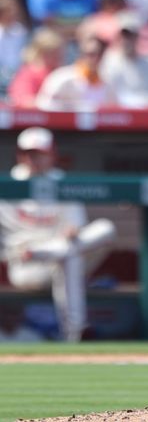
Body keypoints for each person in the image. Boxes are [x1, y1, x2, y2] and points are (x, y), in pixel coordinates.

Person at [0, 127, 115, 341]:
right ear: (20, 155)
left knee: (105, 229)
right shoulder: (7, 186)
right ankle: (75, 332)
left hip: (56, 252)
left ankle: (74, 331)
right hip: (27, 266)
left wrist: (72, 231)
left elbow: (76, 227)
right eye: (29, 153)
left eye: (40, 153)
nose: (34, 159)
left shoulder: (62, 182)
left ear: (52, 154)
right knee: (70, 256)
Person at [99, 14, 148, 108]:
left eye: (131, 35)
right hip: (122, 115)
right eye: (124, 35)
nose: (127, 40)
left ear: (137, 36)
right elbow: (108, 96)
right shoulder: (110, 61)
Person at [36, 35, 115, 111]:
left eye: (100, 54)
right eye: (91, 54)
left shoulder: (108, 83)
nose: (95, 59)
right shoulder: (62, 77)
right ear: (81, 54)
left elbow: (114, 111)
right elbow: (43, 105)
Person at [6, 27, 63, 107]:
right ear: (41, 52)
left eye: (60, 53)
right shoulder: (28, 74)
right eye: (53, 53)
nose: (58, 57)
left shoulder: (61, 74)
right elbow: (24, 100)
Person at [0, 0, 28, 92]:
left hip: (17, 76)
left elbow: (25, 56)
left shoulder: (21, 31)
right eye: (9, 11)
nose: (14, 14)